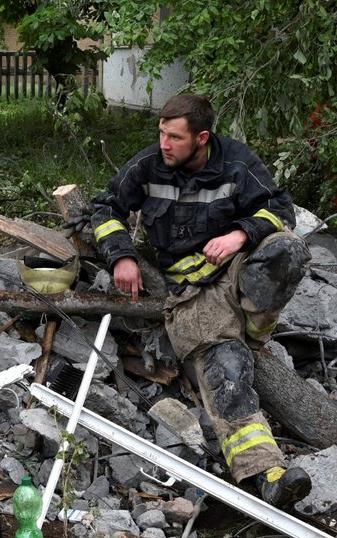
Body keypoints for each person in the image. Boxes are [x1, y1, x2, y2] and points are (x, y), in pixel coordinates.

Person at [87, 94, 312, 509]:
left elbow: (280, 209)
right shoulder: (148, 166)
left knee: (290, 250)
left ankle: (254, 332)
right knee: (227, 366)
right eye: (161, 133)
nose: (164, 144)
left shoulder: (236, 162)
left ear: (202, 138)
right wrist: (121, 255)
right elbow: (103, 208)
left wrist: (240, 234)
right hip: (190, 292)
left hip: (232, 269)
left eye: (174, 137)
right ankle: (267, 473)